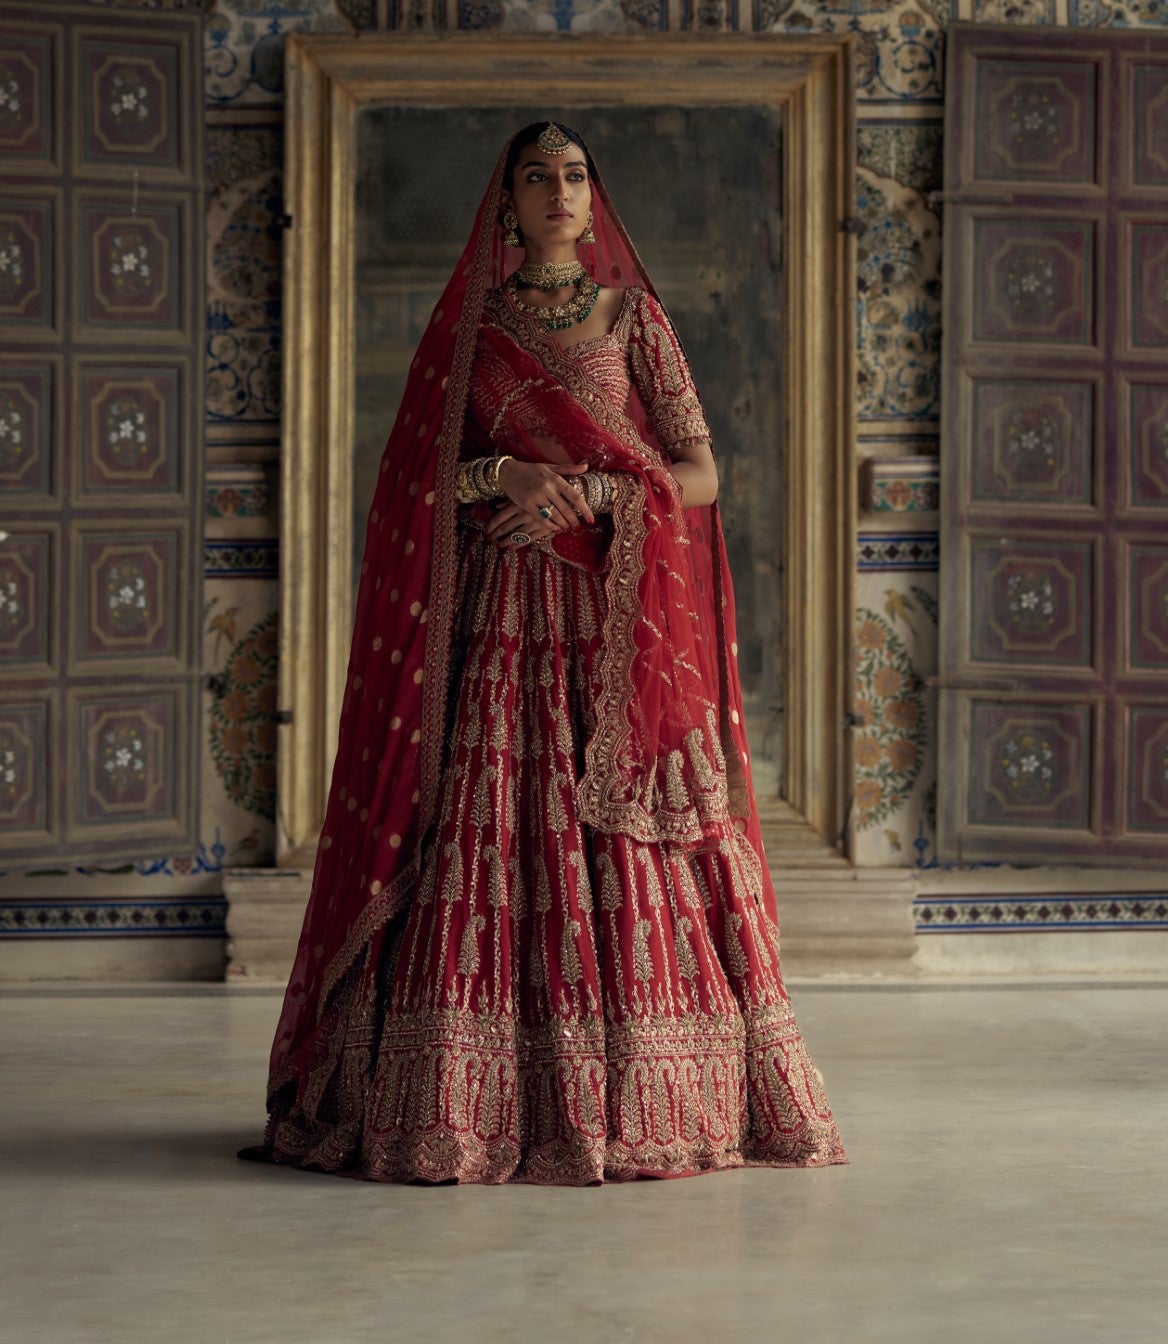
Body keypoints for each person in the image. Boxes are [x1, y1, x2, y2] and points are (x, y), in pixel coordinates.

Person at [243, 120, 845, 1183]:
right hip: (499, 627)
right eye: (538, 176)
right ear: (507, 202)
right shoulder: (470, 330)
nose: (559, 191)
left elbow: (701, 474)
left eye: (575, 175)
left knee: (621, 834)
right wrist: (504, 480)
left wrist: (608, 491)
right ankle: (463, 1103)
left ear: (593, 198)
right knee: (486, 829)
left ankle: (650, 1093)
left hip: (617, 625)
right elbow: (415, 485)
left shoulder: (633, 318)